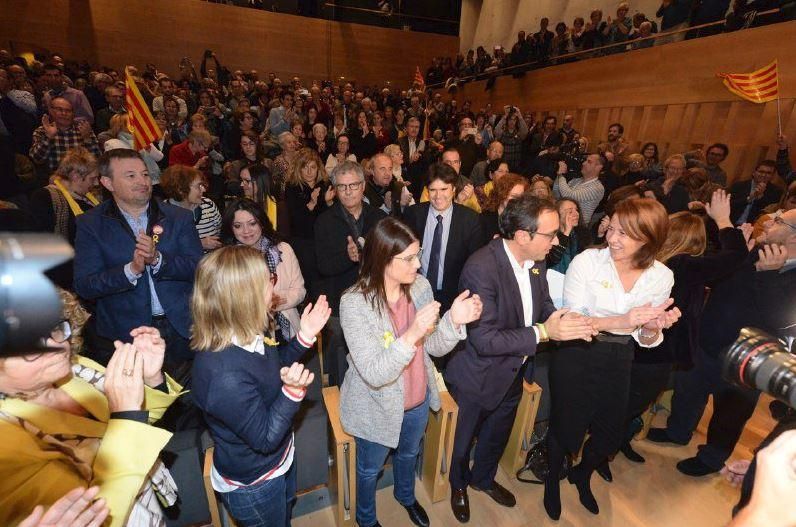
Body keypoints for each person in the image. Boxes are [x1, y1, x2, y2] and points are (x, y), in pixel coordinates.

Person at [445, 195, 598, 522]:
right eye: (550, 234)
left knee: (496, 434)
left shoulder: (538, 261)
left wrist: (560, 318)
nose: (557, 241)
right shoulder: (481, 267)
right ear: (522, 236)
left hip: (515, 371)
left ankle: (482, 479)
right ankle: (458, 485)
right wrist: (546, 333)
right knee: (462, 441)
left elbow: (541, 305)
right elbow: (483, 340)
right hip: (477, 375)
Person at [339, 217, 482, 527]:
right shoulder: (355, 303)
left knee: (408, 454)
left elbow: (433, 347)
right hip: (375, 405)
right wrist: (412, 333)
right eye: (409, 258)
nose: (418, 264)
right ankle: (366, 519)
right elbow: (375, 373)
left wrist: (454, 322)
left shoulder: (420, 287)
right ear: (383, 259)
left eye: (418, 254)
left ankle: (405, 496)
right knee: (369, 470)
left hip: (417, 396)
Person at [544, 198, 681, 520]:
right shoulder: (587, 262)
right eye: (612, 229)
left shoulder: (661, 276)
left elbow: (646, 339)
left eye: (625, 234)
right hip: (576, 351)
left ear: (648, 237)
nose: (613, 239)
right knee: (566, 425)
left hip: (620, 353)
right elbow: (572, 320)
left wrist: (649, 328)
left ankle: (582, 473)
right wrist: (623, 320)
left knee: (609, 433)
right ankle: (552, 478)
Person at [0, 288, 182, 527]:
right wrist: (126, 416)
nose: (57, 345)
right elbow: (95, 514)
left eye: (53, 327)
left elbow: (138, 424)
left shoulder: (76, 369)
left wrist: (149, 379)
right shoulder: (8, 444)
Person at [648, 208, 796, 477]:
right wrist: (738, 249)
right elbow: (717, 278)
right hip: (708, 339)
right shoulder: (756, 250)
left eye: (778, 220)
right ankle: (678, 431)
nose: (770, 220)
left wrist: (767, 275)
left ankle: (711, 458)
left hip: (746, 361)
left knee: (730, 413)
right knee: (688, 390)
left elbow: (781, 319)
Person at [190, 246, 330, 527]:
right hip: (256, 484)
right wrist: (293, 393)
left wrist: (304, 336)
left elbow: (273, 368)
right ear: (245, 297)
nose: (273, 282)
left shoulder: (248, 330)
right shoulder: (223, 376)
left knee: (285, 512)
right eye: (269, 279)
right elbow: (265, 439)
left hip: (280, 460)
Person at [73, 149, 203, 377]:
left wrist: (159, 260)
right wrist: (130, 271)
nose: (142, 181)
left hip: (182, 328)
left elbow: (199, 267)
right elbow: (85, 285)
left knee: (189, 403)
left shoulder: (178, 217)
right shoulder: (91, 224)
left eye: (144, 174)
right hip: (127, 334)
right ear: (107, 182)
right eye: (130, 176)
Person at [314, 160, 387, 385]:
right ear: (335, 190)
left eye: (353, 185)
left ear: (363, 186)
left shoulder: (379, 218)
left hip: (374, 303)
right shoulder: (324, 222)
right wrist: (349, 258)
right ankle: (336, 417)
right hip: (339, 305)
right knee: (340, 369)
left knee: (373, 364)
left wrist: (366, 257)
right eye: (342, 187)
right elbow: (323, 266)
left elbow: (388, 260)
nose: (348, 191)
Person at [403, 163, 484, 312]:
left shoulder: (470, 220)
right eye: (433, 190)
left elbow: (475, 265)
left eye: (444, 189)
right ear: (427, 191)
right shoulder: (413, 214)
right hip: (415, 293)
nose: (438, 196)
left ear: (453, 189)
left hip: (453, 297)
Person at [223, 198, 306, 340]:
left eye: (252, 223)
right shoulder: (227, 260)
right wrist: (276, 298)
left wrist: (269, 302)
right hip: (247, 335)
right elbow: (229, 304)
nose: (246, 231)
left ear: (262, 222)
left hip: (287, 329)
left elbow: (299, 291)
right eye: (238, 226)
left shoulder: (283, 249)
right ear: (231, 228)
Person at [29, 147, 100, 246]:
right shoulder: (44, 197)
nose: (96, 183)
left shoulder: (90, 199)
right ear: (75, 176)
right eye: (92, 179)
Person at [30, 97, 101, 173]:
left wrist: (87, 139)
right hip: (53, 178)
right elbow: (37, 159)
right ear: (51, 111)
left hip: (81, 177)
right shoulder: (41, 131)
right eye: (59, 109)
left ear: (73, 114)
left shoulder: (83, 129)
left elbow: (97, 159)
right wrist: (48, 138)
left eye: (68, 111)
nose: (64, 113)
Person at [160, 165, 222, 251]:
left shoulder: (208, 205)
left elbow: (219, 231)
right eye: (198, 186)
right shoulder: (162, 213)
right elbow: (162, 248)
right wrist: (198, 244)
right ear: (180, 190)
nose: (203, 190)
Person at [103, 113, 165, 191]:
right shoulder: (113, 143)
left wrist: (148, 148)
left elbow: (159, 157)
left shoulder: (142, 138)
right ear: (121, 126)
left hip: (154, 180)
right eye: (130, 122)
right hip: (133, 183)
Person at [553, 152, 607, 226]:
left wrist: (561, 175)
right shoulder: (576, 180)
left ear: (599, 167)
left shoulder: (598, 188)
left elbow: (569, 196)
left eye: (589, 162)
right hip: (562, 222)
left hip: (577, 227)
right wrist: (558, 176)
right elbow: (557, 194)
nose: (584, 163)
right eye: (585, 160)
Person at [730, 160, 782, 225]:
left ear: (773, 176)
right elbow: (730, 205)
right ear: (754, 172)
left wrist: (760, 197)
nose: (763, 175)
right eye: (761, 171)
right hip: (730, 223)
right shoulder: (739, 185)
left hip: (753, 227)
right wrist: (749, 199)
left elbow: (768, 214)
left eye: (768, 173)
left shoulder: (776, 192)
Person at [480, 173, 530, 240]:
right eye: (514, 196)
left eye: (521, 197)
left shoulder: (525, 221)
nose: (517, 201)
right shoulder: (484, 220)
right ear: (502, 194)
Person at [546, 198, 590, 274]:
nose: (576, 213)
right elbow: (552, 260)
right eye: (570, 211)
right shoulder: (549, 234)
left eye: (576, 210)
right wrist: (566, 232)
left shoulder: (582, 233)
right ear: (557, 214)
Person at [365, 152, 413, 217]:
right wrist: (386, 208)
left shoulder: (401, 187)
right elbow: (368, 221)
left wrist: (403, 207)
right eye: (382, 169)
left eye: (390, 169)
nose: (387, 173)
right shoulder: (364, 192)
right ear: (372, 171)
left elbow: (412, 217)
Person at [240, 162, 278, 231]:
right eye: (242, 180)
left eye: (247, 181)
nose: (242, 184)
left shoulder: (279, 208)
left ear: (260, 181)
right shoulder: (241, 205)